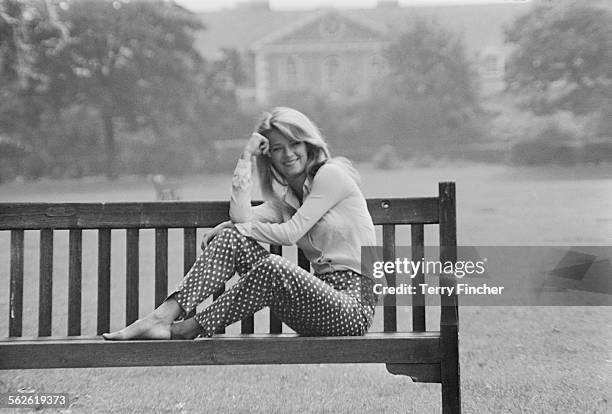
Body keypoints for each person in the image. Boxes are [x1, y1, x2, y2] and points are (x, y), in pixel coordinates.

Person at [103, 107, 377, 340]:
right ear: (270, 157)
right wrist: (246, 156)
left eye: (295, 144)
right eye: (278, 149)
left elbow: (291, 233)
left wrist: (239, 227)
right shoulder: (288, 199)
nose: (288, 155)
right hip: (314, 308)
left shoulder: (331, 175)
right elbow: (241, 216)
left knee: (271, 265)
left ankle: (189, 328)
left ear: (308, 144)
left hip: (353, 309)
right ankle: (162, 317)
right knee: (231, 239)